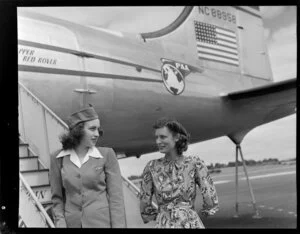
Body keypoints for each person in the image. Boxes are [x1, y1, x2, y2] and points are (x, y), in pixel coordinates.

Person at [49, 105, 126, 228]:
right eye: (92, 129)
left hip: (102, 224)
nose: (97, 134)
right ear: (78, 131)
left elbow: (116, 199)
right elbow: (57, 199)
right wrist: (60, 223)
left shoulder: (106, 155)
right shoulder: (57, 158)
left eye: (98, 129)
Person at [139, 118, 219, 228]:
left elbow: (209, 196)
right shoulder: (151, 167)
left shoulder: (194, 164)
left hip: (185, 223)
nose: (158, 141)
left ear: (176, 137)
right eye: (156, 137)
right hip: (176, 223)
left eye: (162, 137)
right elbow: (144, 201)